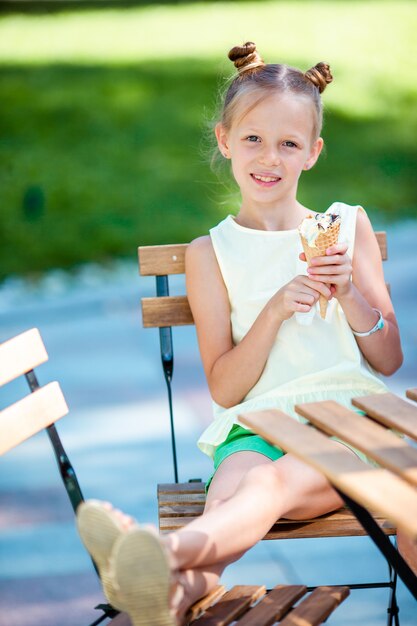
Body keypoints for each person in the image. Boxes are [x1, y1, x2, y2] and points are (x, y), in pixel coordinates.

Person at [77, 42, 406, 626]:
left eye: (289, 143)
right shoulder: (211, 253)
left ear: (313, 153)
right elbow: (227, 389)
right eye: (253, 138)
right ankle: (169, 595)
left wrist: (349, 293)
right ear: (225, 140)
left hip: (348, 421)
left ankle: (156, 553)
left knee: (269, 488)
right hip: (254, 424)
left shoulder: (345, 225)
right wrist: (275, 310)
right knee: (229, 496)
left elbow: (388, 358)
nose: (269, 157)